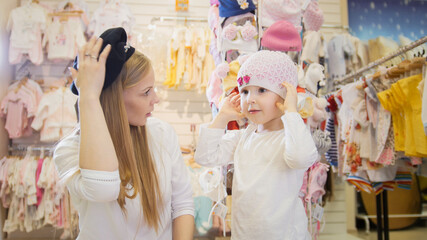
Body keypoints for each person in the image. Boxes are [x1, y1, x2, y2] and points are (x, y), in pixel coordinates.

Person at [53, 27, 194, 240]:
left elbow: (182, 204)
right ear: (115, 100)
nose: (156, 99)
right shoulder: (70, 151)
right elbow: (104, 189)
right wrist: (89, 97)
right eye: (146, 92)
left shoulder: (162, 133)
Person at [194, 50, 318, 239]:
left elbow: (301, 158)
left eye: (261, 90)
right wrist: (222, 117)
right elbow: (205, 156)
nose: (250, 99)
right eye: (244, 91)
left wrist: (292, 112)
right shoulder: (242, 137)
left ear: (285, 94)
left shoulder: (290, 137)